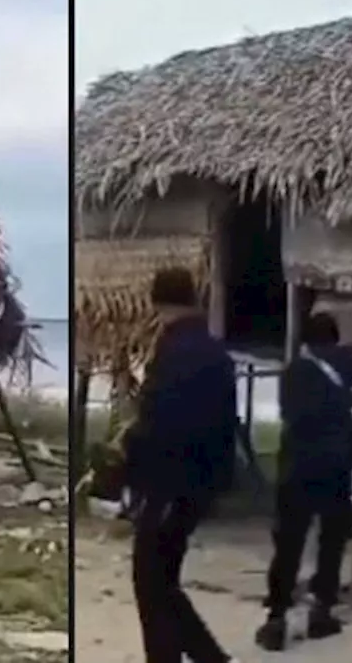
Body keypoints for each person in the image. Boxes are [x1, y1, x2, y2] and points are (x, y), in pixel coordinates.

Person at [123, 266, 239, 663]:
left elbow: (159, 423)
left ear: (158, 304)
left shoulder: (174, 351)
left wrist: (128, 461)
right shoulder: (214, 350)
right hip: (200, 483)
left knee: (150, 580)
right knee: (163, 581)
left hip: (171, 481)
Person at [255, 311, 352, 652]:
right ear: (335, 338)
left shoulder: (293, 372)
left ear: (304, 341)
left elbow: (288, 414)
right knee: (332, 540)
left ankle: (276, 618)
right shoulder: (351, 360)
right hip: (335, 465)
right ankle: (321, 611)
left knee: (288, 543)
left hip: (297, 466)